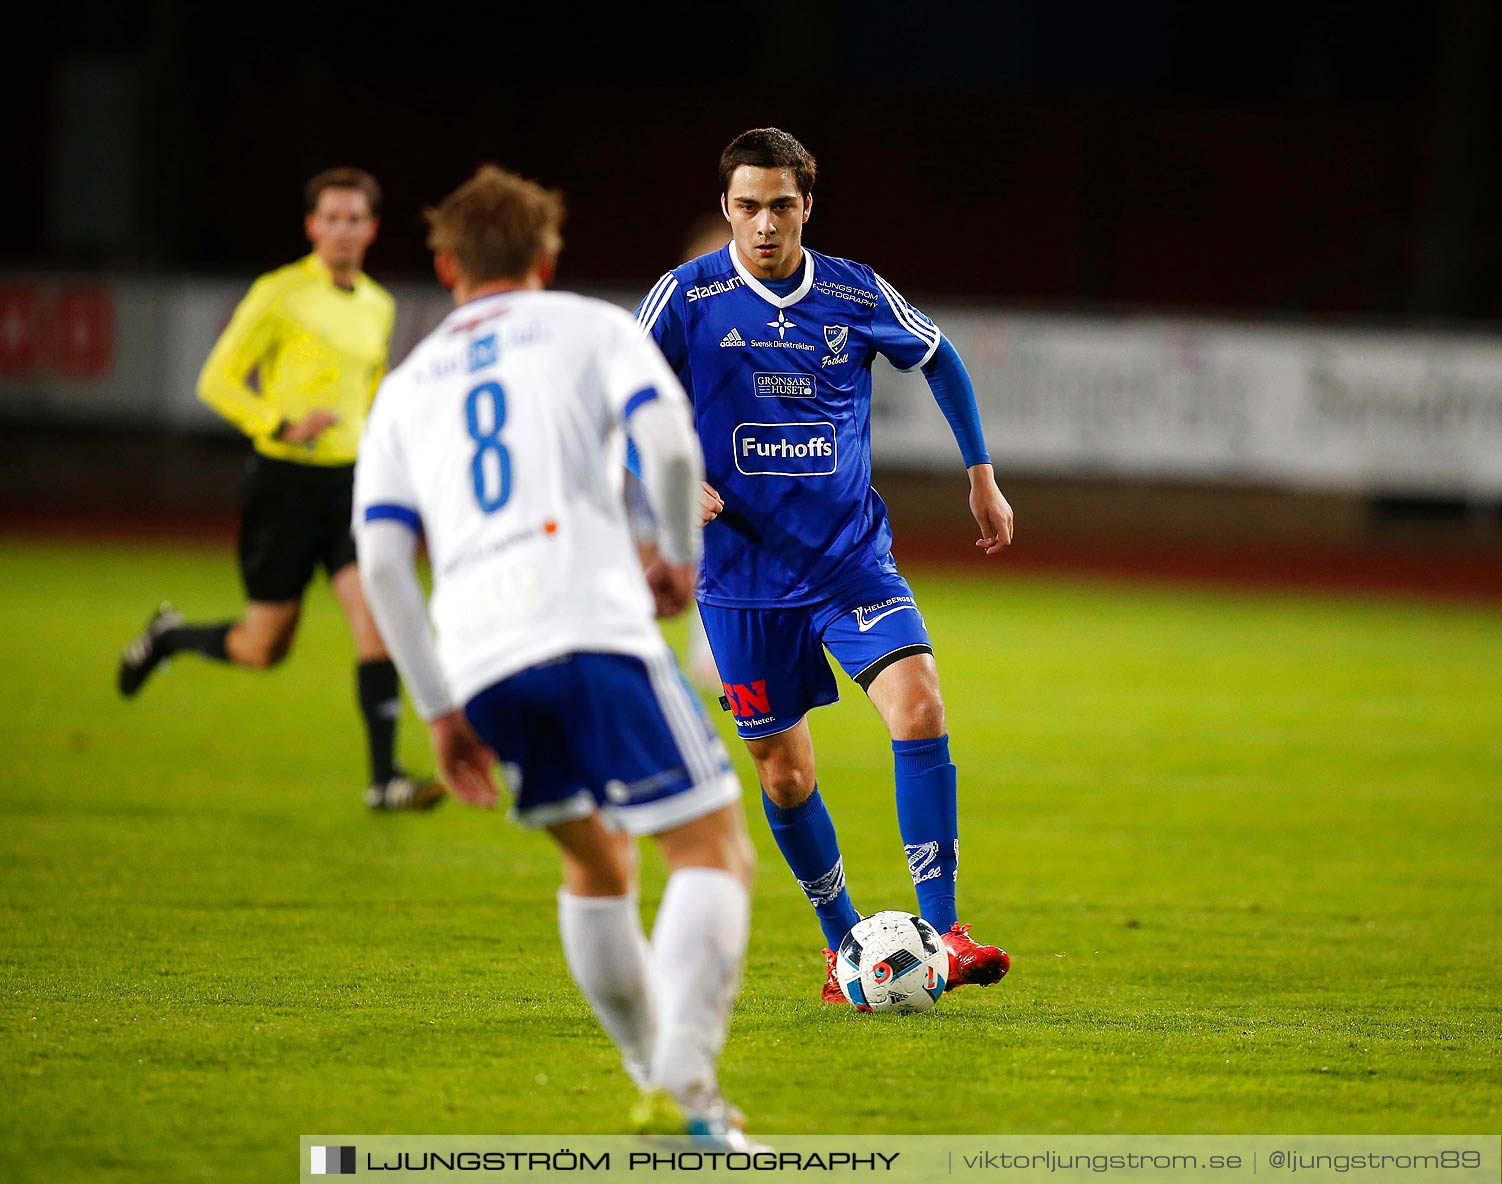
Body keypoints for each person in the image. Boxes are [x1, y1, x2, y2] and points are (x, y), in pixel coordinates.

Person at [354, 165, 759, 1145]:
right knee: (710, 850)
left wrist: (441, 710)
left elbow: (380, 559)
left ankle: (648, 1075)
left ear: (445, 265)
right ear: (547, 257)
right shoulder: (590, 326)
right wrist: (676, 557)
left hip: (485, 660)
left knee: (595, 862)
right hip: (589, 624)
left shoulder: (406, 388)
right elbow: (667, 449)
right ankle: (688, 1076)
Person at [634, 128, 1015, 1004]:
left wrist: (981, 476)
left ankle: (946, 932)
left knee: (919, 708)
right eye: (746, 206)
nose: (763, 223)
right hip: (741, 581)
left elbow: (940, 357)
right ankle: (845, 946)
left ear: (807, 205)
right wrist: (662, 482)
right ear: (727, 207)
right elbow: (619, 403)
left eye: (780, 205)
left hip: (851, 563)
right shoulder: (685, 298)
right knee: (785, 772)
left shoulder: (851, 290)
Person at [116, 167, 438, 812]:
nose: (343, 230)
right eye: (332, 218)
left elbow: (369, 393)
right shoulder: (279, 293)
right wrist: (281, 423)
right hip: (284, 486)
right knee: (264, 649)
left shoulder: (378, 304)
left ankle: (385, 780)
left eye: (355, 219)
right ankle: (171, 637)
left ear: (371, 229)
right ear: (312, 226)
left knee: (373, 620)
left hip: (350, 485)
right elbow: (217, 381)